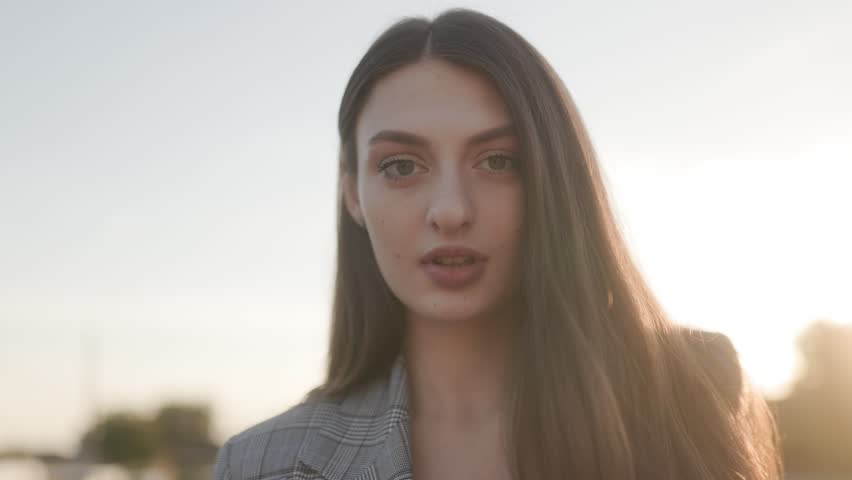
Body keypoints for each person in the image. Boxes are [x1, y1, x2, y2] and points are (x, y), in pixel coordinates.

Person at [214, 8, 782, 480]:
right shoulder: (263, 465)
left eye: (499, 161)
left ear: (553, 177)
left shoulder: (687, 397)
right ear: (352, 193)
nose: (451, 211)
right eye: (401, 166)